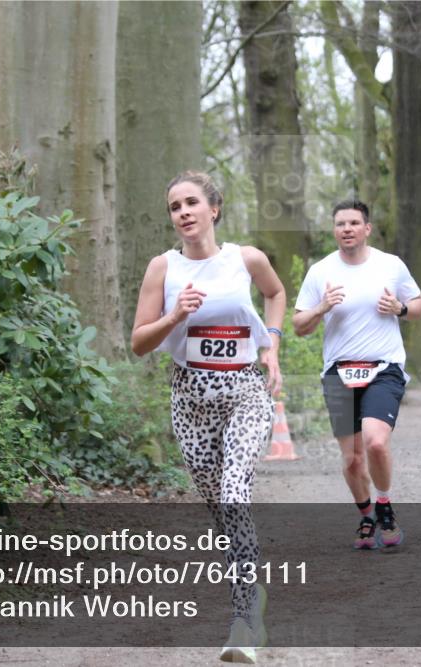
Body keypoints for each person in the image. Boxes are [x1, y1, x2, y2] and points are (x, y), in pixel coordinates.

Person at [131, 171, 285, 663]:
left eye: (192, 202)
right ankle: (251, 590)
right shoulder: (163, 268)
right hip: (190, 397)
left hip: (244, 391)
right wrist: (175, 316)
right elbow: (138, 343)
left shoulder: (246, 259)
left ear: (213, 208)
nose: (183, 212)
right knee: (219, 512)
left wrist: (272, 346)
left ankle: (244, 623)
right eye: (175, 206)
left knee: (235, 492)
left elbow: (276, 294)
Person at [292, 199, 421, 549]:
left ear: (367, 228)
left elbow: (419, 307)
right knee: (352, 460)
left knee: (375, 441)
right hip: (338, 372)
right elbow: (299, 326)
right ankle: (366, 516)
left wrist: (400, 308)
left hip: (384, 367)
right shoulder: (320, 271)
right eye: (340, 224)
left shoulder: (390, 265)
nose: (346, 229)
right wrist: (322, 307)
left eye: (353, 223)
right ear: (334, 230)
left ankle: (384, 505)